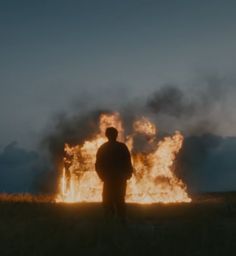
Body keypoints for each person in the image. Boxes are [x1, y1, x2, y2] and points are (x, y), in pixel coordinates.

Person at [95, 127, 133, 222]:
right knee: (120, 199)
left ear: (106, 135)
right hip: (120, 178)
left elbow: (98, 165)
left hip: (109, 179)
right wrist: (128, 174)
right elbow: (128, 162)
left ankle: (110, 221)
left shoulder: (103, 148)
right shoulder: (122, 147)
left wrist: (102, 176)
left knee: (108, 200)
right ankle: (121, 221)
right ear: (116, 135)